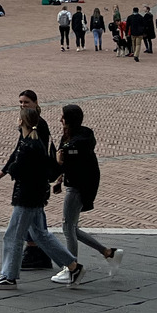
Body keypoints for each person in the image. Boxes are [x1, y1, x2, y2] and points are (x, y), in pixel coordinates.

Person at [0, 104, 85, 290]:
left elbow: (21, 171)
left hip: (27, 198)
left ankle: (9, 276)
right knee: (41, 235)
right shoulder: (33, 143)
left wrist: (13, 169)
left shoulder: (28, 146)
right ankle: (73, 266)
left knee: (13, 235)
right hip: (35, 197)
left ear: (21, 121)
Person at [51, 103, 122, 282]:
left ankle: (72, 268)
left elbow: (75, 152)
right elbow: (67, 157)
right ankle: (108, 252)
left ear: (71, 119)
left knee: (67, 227)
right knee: (72, 228)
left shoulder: (83, 137)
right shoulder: (68, 136)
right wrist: (60, 177)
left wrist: (62, 157)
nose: (60, 119)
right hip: (73, 183)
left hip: (80, 187)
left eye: (63, 117)